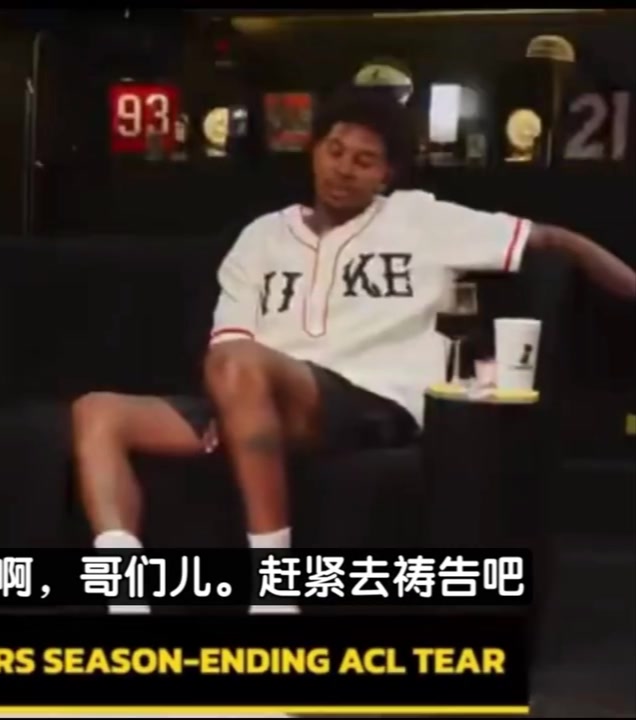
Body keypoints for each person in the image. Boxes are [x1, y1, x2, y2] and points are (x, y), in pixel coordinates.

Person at [72, 86, 636, 615]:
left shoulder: (419, 218)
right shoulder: (262, 236)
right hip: (254, 396)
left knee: (240, 367)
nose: (343, 169)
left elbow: (552, 238)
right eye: (335, 151)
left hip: (369, 398)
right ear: (314, 150)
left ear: (387, 174)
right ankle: (125, 591)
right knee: (97, 411)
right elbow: (231, 338)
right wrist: (234, 401)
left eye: (364, 161)